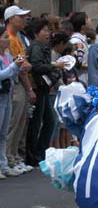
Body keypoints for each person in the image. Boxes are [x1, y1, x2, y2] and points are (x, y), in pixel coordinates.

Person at [26, 19, 67, 165]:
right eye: (44, 30)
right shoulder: (36, 47)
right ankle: (34, 155)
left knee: (49, 121)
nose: (47, 33)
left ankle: (40, 152)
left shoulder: (43, 46)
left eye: (48, 30)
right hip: (38, 88)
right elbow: (36, 66)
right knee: (38, 123)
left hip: (43, 88)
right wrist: (54, 65)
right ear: (36, 33)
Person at [2, 6, 35, 174]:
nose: (23, 19)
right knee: (13, 124)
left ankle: (14, 157)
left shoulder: (18, 38)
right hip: (14, 83)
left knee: (20, 122)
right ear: (11, 19)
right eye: (19, 17)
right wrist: (23, 64)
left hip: (20, 82)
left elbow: (24, 60)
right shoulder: (8, 37)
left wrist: (23, 63)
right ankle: (8, 158)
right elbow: (19, 63)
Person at [0, 34, 29, 178]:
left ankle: (4, 166)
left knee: (4, 133)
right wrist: (14, 65)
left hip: (8, 95)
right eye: (4, 37)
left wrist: (20, 66)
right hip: (1, 95)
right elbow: (2, 74)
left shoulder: (7, 55)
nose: (7, 40)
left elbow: (13, 73)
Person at [69, 12, 91, 84]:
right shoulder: (75, 41)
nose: (90, 20)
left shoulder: (83, 38)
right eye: (87, 19)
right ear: (82, 27)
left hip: (86, 78)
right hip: (79, 79)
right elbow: (76, 63)